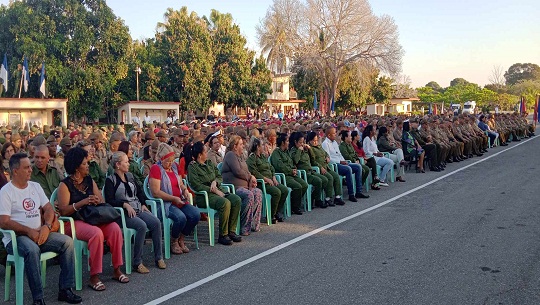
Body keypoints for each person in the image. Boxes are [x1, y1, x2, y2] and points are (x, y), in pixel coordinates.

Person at [0, 153, 82, 305]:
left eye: (30, 167)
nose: (30, 170)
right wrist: (28, 231)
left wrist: (47, 226)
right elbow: (4, 222)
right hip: (17, 238)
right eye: (26, 168)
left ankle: (65, 289)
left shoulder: (35, 186)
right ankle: (38, 299)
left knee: (67, 243)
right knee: (32, 250)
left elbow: (48, 209)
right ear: (15, 171)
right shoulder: (6, 192)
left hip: (40, 232)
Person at [56, 147, 128, 291]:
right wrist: (82, 203)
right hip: (72, 222)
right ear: (76, 167)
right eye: (84, 164)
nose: (88, 166)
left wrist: (95, 200)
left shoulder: (89, 180)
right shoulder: (65, 185)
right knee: (96, 234)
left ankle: (116, 268)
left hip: (91, 218)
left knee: (114, 228)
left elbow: (101, 199)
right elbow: (64, 210)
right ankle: (94, 276)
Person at [104, 152, 166, 272]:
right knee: (141, 226)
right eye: (126, 162)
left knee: (155, 222)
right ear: (118, 164)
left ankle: (159, 257)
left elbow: (139, 192)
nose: (128, 164)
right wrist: (124, 204)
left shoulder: (130, 176)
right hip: (123, 214)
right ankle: (137, 262)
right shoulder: (110, 180)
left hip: (137, 208)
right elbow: (110, 200)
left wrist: (143, 203)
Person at [187, 142, 243, 246]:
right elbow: (196, 186)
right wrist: (214, 190)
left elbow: (219, 176)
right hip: (205, 196)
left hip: (218, 191)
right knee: (225, 203)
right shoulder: (193, 167)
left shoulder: (209, 163)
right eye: (205, 151)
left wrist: (215, 182)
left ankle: (231, 231)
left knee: (236, 200)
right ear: (200, 155)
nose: (207, 153)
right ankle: (223, 234)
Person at [149, 143, 200, 254]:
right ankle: (174, 240)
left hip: (179, 200)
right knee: (180, 217)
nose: (170, 163)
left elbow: (180, 183)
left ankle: (181, 238)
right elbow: (156, 192)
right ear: (161, 159)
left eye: (172, 160)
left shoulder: (174, 167)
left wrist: (185, 190)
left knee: (196, 214)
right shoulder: (156, 169)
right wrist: (173, 198)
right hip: (165, 203)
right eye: (168, 161)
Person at [221, 136, 263, 235]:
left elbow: (246, 171)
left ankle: (254, 224)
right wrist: (249, 177)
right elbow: (237, 171)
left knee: (258, 192)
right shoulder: (230, 155)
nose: (243, 146)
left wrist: (251, 177)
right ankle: (245, 226)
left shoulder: (241, 157)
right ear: (235, 146)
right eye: (240, 144)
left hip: (245, 186)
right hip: (234, 188)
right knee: (248, 195)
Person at [246, 138, 289, 223]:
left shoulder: (263, 156)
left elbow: (271, 167)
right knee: (277, 192)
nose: (264, 146)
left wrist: (273, 177)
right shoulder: (252, 158)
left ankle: (277, 212)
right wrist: (266, 179)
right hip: (262, 183)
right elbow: (254, 172)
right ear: (258, 147)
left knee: (284, 190)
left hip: (270, 180)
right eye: (262, 145)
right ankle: (271, 215)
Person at [321, 127, 369, 202]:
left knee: (358, 167)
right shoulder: (325, 144)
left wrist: (344, 161)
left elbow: (339, 154)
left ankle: (358, 191)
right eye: (334, 133)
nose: (335, 134)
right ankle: (351, 194)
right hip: (335, 165)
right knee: (348, 169)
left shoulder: (334, 142)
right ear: (329, 135)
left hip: (342, 162)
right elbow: (328, 159)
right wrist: (340, 162)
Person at [289, 132, 329, 208]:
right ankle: (317, 200)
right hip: (304, 173)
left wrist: (309, 149)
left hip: (310, 171)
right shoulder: (293, 151)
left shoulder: (304, 149)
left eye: (303, 142)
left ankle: (313, 197)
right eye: (300, 142)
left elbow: (312, 158)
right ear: (295, 142)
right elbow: (295, 161)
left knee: (324, 180)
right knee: (318, 181)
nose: (302, 144)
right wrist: (299, 151)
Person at [270, 133, 308, 214]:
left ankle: (294, 203)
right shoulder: (276, 153)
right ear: (283, 143)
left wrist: (294, 169)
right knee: (297, 186)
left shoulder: (286, 152)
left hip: (291, 174)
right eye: (287, 141)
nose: (288, 143)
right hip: (284, 176)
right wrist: (290, 171)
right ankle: (295, 207)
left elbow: (292, 162)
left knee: (304, 185)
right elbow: (280, 166)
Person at [306, 131, 345, 206]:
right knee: (329, 178)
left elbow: (325, 153)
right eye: (313, 140)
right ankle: (328, 198)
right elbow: (312, 161)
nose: (315, 142)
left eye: (316, 140)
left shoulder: (319, 146)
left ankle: (337, 196)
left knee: (336, 176)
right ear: (309, 141)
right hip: (318, 168)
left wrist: (327, 157)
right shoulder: (310, 149)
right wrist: (320, 167)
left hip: (326, 166)